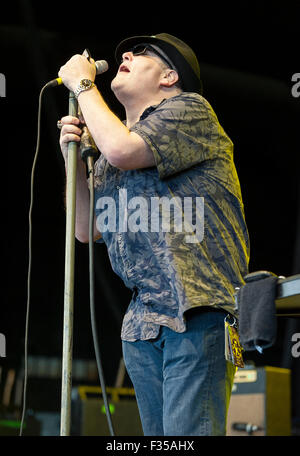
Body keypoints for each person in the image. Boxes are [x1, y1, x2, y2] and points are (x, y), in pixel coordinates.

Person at [58, 33, 250, 436]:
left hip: (197, 309)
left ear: (168, 76)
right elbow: (85, 228)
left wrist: (84, 85)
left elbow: (123, 150)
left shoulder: (190, 111)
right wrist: (73, 160)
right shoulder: (113, 145)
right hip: (143, 322)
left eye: (140, 53)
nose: (125, 54)